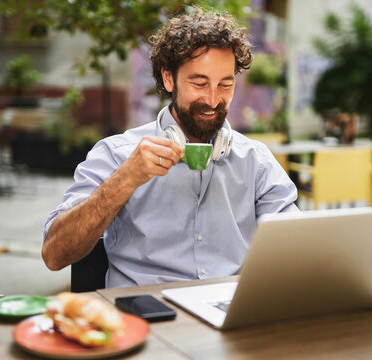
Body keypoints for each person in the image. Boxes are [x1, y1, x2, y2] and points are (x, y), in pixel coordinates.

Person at [43, 8, 298, 288]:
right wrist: (126, 179)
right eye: (199, 83)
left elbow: (298, 246)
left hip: (227, 312)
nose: (213, 100)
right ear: (168, 79)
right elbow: (55, 254)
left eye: (225, 84)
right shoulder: (117, 154)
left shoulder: (256, 161)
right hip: (144, 311)